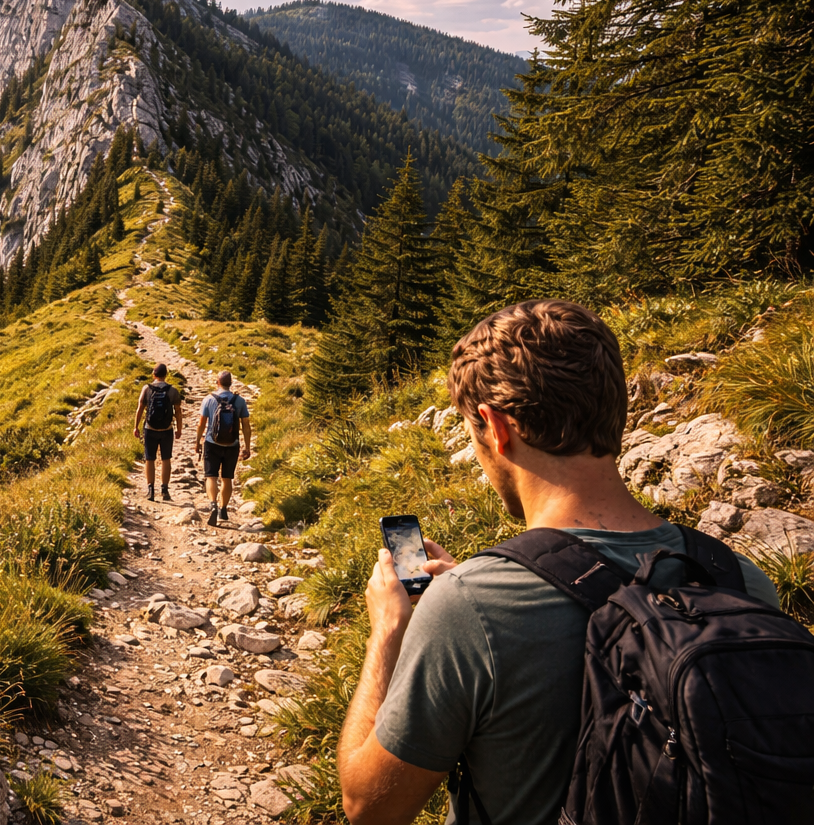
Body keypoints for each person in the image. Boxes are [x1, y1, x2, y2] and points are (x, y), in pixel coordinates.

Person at [336, 300, 779, 825]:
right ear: (617, 409)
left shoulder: (470, 609)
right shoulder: (742, 582)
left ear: (495, 426)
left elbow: (368, 808)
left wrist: (390, 630)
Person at [195, 369, 250, 526]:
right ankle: (223, 509)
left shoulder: (208, 399)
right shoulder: (239, 401)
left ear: (217, 383)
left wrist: (198, 441)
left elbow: (201, 424)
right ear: (230, 383)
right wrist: (247, 446)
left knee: (211, 476)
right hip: (232, 445)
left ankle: (212, 504)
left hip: (212, 443)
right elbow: (246, 425)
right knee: (227, 478)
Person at [133, 362, 183, 501]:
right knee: (166, 459)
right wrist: (179, 429)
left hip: (150, 428)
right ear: (166, 375)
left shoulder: (146, 389)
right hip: (167, 429)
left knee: (150, 459)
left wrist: (135, 427)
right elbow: (178, 412)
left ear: (153, 374)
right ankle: (165, 490)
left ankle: (150, 490)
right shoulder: (172, 391)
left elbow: (140, 409)